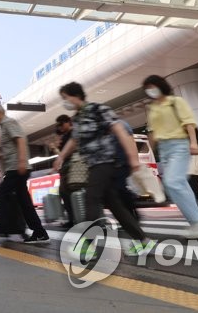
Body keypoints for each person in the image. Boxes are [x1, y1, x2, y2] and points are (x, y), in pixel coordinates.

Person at [53, 83, 154, 256]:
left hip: (105, 162)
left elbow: (119, 129)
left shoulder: (97, 109)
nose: (64, 102)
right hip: (93, 164)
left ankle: (86, 246)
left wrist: (132, 159)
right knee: (115, 206)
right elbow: (75, 140)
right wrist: (61, 156)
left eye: (65, 97)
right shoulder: (77, 117)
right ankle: (144, 241)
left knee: (91, 200)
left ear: (74, 95)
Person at [143, 75, 198, 238]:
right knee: (179, 185)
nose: (150, 90)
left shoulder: (175, 101)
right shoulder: (152, 108)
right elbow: (152, 133)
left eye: (153, 86)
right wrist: (148, 153)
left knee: (172, 182)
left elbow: (189, 123)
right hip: (164, 149)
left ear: (161, 86)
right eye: (147, 88)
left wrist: (193, 143)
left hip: (180, 144)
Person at [0, 103, 49, 244]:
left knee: (2, 194)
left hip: (17, 168)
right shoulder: (4, 126)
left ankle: (4, 227)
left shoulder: (8, 122)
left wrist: (21, 161)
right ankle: (39, 232)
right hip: (15, 167)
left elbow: (20, 140)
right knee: (24, 202)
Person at [54, 115, 77, 227]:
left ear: (69, 122)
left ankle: (75, 219)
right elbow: (61, 155)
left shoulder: (74, 133)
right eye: (59, 125)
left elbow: (68, 152)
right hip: (67, 166)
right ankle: (73, 219)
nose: (60, 127)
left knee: (67, 192)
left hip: (74, 166)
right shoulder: (64, 136)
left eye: (62, 124)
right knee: (65, 193)